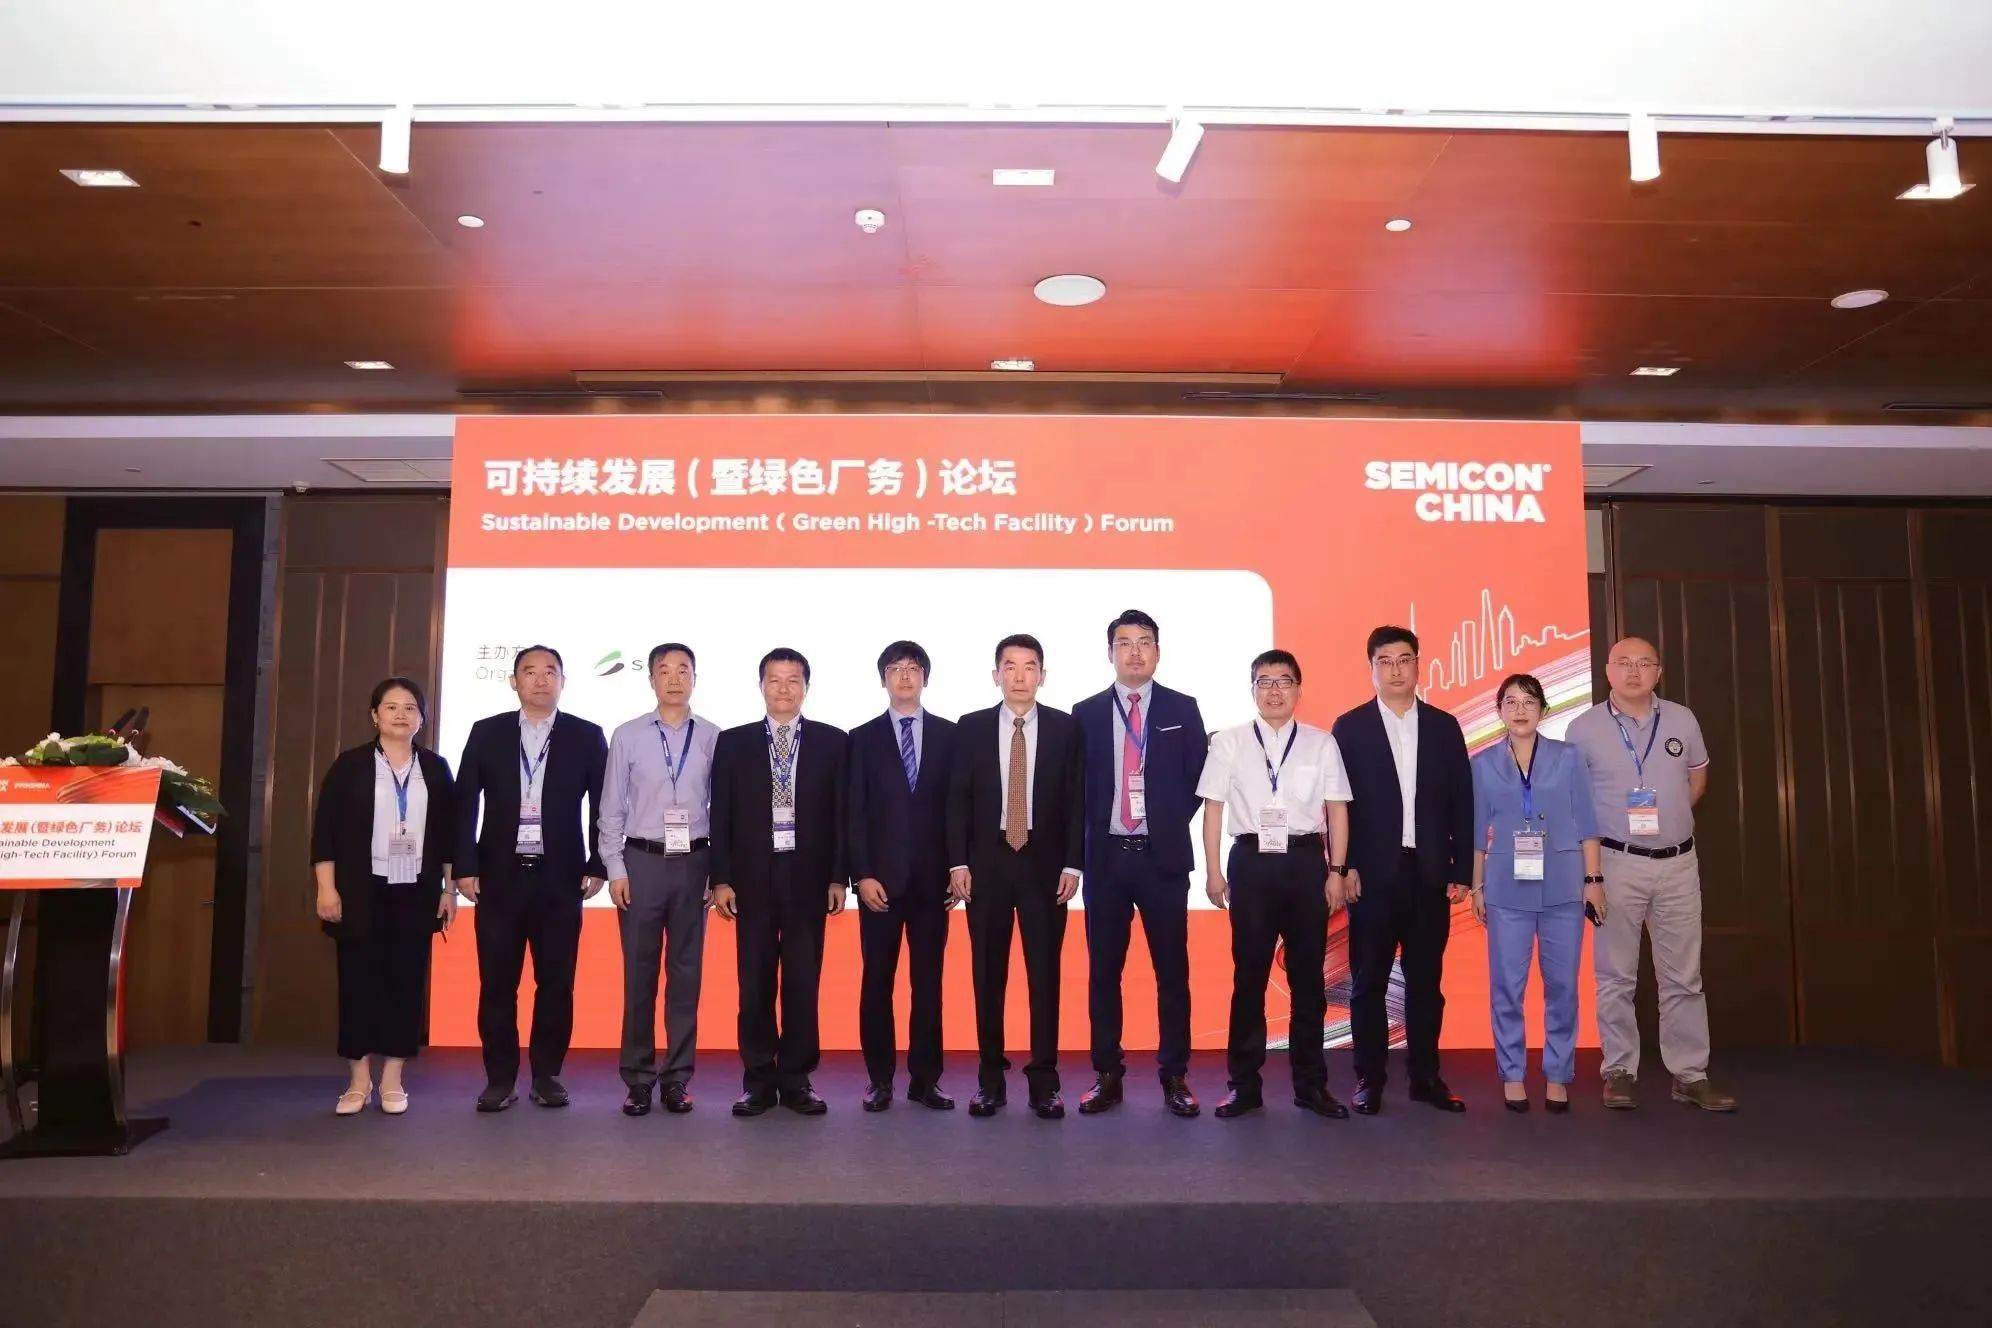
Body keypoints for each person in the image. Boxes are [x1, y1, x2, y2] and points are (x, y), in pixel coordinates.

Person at [1566, 637, 1736, 1112]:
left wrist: (1670, 819)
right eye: (1624, 663)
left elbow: (1697, 778)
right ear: (1608, 670)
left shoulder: (1682, 719)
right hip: (1615, 863)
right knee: (1615, 975)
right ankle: (1619, 1071)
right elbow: (1574, 802)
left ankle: (1690, 1074)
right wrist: (1591, 875)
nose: (1634, 671)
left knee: (1684, 976)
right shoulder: (1583, 729)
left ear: (1659, 672)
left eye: (1644, 663)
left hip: (1679, 863)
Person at [1197, 649, 1354, 1119]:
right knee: (1249, 978)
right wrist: (1213, 871)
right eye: (1264, 682)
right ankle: (1244, 1085)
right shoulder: (1229, 742)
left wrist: (1337, 871)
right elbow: (1213, 809)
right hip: (1250, 862)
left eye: (1283, 681)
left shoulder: (1321, 743)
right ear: (1252, 690)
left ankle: (1311, 1085)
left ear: (1298, 690)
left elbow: (1337, 810)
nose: (1274, 691)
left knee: (1308, 981)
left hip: (1306, 863)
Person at [452, 645, 608, 1113]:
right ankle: (500, 1078)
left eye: (550, 672)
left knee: (556, 982)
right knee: (497, 983)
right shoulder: (487, 732)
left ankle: (546, 1074)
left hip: (561, 878)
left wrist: (598, 862)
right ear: (514, 681)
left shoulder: (586, 735)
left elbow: (603, 804)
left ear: (563, 681)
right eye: (530, 671)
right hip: (498, 878)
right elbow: (465, 802)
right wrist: (464, 866)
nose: (541, 680)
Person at [1332, 625, 1475, 1115]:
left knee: (1425, 983)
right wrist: (1345, 866)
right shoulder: (1350, 728)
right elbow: (1338, 806)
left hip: (1429, 874)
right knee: (1368, 982)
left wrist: (1462, 868)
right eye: (1385, 661)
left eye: (1404, 660)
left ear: (1418, 665)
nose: (1396, 670)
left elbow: (1462, 801)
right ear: (1371, 668)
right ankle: (1369, 1078)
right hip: (1371, 877)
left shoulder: (1443, 726)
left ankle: (1425, 1077)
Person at [1073, 609, 1209, 1118]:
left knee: (1171, 972)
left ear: (1158, 651)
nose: (1134, 651)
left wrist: (1165, 821)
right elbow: (1075, 787)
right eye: (1124, 643)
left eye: (1144, 642)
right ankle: (1107, 1073)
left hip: (1162, 859)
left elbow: (1197, 777)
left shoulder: (1182, 708)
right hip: (1106, 859)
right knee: (1103, 973)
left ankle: (1174, 1074)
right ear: (1110, 652)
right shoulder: (1085, 712)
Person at [946, 633, 1085, 1119]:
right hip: (986, 865)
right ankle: (990, 1080)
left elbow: (1077, 801)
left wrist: (1073, 863)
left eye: (1029, 667)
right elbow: (957, 800)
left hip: (1046, 868)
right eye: (1010, 667)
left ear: (1042, 675)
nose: (1020, 676)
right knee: (988, 975)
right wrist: (958, 863)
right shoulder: (971, 727)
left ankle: (1044, 1081)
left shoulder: (1067, 729)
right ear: (996, 675)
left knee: (1044, 975)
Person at [709, 647, 849, 1116]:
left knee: (803, 984)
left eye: (793, 680)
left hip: (809, 879)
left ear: (806, 687)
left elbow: (842, 816)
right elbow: (721, 814)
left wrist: (838, 877)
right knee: (754, 983)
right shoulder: (733, 742)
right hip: (751, 879)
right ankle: (757, 1079)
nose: (783, 689)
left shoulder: (833, 742)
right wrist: (721, 878)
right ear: (761, 686)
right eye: (774, 680)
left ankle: (796, 1078)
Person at [312, 677, 457, 1116]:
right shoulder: (350, 765)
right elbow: (325, 832)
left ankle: (393, 1078)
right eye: (391, 707)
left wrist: (449, 889)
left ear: (421, 719)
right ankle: (358, 1081)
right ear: (375, 715)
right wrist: (326, 888)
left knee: (406, 984)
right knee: (357, 984)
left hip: (415, 889)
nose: (401, 714)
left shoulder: (435, 768)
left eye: (410, 708)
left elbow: (449, 835)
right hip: (360, 888)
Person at [1468, 673, 1605, 1113]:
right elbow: (1476, 833)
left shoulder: (1568, 757)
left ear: (1544, 709)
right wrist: (1477, 886)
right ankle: (1512, 1073)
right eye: (1510, 702)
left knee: (1562, 986)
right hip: (1506, 887)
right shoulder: (1483, 763)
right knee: (1507, 986)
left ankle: (1558, 1073)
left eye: (1529, 701)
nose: (1520, 709)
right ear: (1499, 711)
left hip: (1563, 885)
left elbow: (1587, 823)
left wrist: (1594, 881)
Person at [600, 643, 719, 1117]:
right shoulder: (627, 735)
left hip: (695, 863)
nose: (673, 678)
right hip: (641, 862)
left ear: (695, 678)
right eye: (664, 671)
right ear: (651, 679)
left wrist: (718, 872)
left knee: (686, 976)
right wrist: (615, 868)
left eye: (682, 670)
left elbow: (724, 810)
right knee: (639, 974)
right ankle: (638, 1078)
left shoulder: (713, 736)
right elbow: (611, 808)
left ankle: (677, 1078)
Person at [846, 641, 959, 1112]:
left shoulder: (951, 735)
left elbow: (960, 808)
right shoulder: (861, 738)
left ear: (925, 678)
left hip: (934, 884)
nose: (905, 676)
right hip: (880, 885)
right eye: (895, 669)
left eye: (913, 668)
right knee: (877, 982)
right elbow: (853, 813)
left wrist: (958, 867)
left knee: (928, 984)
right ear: (883, 679)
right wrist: (861, 874)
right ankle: (879, 1080)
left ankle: (925, 1080)